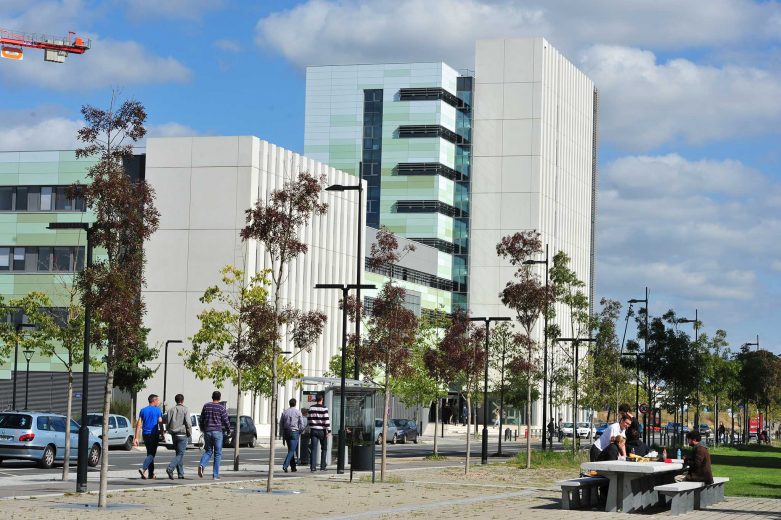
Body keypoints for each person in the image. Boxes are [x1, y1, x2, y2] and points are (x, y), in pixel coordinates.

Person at [198, 391, 231, 480]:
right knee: (217, 453)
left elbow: (201, 419)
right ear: (219, 398)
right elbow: (226, 420)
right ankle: (215, 475)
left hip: (207, 431)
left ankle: (202, 465)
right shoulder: (221, 408)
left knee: (208, 451)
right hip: (217, 432)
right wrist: (229, 430)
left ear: (212, 397)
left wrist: (202, 428)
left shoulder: (206, 406)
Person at [134, 394, 164, 479]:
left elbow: (139, 424)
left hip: (145, 434)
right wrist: (162, 433)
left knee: (149, 453)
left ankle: (151, 474)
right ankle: (143, 468)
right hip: (154, 434)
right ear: (154, 401)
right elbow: (160, 422)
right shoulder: (158, 410)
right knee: (152, 454)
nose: (158, 402)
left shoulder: (143, 410)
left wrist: (136, 437)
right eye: (157, 400)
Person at [165, 393, 192, 479]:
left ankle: (180, 474)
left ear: (175, 400)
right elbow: (188, 422)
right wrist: (189, 432)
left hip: (174, 434)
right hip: (182, 433)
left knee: (178, 454)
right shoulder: (185, 409)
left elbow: (167, 422)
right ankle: (170, 468)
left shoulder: (170, 410)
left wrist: (169, 431)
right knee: (180, 454)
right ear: (182, 400)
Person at [280, 398, 305, 473]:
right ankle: (285, 465)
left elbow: (281, 424)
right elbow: (302, 424)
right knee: (292, 450)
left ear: (289, 403)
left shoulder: (285, 412)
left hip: (287, 432)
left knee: (290, 450)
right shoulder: (298, 412)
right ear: (295, 403)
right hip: (294, 431)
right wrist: (300, 431)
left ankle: (293, 467)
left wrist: (282, 433)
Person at [308, 392, 330, 471]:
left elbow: (309, 419)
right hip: (322, 430)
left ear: (316, 399)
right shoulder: (324, 408)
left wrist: (312, 426)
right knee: (324, 448)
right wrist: (329, 431)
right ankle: (322, 466)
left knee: (313, 449)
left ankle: (313, 467)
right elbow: (326, 420)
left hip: (313, 430)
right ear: (322, 399)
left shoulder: (311, 408)